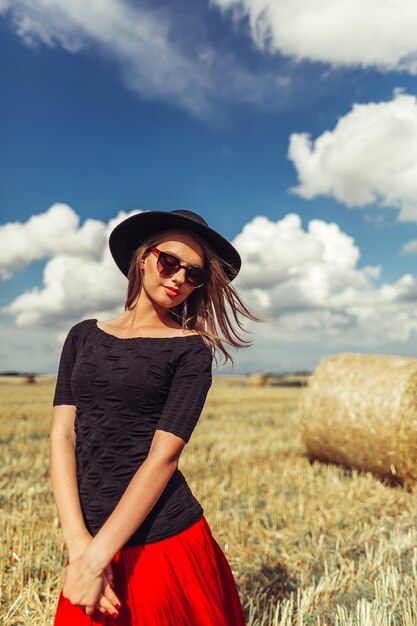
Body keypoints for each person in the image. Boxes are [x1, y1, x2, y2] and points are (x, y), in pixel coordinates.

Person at [50, 209, 260, 626]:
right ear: (144, 257)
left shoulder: (190, 351)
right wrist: (82, 551)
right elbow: (63, 435)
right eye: (170, 262)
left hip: (161, 543)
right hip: (89, 541)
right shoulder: (82, 336)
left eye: (194, 274)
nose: (180, 278)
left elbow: (163, 458)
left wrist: (97, 557)